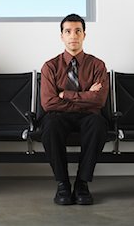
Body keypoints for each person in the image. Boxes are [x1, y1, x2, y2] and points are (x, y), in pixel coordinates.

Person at [40, 13, 109, 205]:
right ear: (62, 36)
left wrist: (65, 95)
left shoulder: (97, 65)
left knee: (98, 124)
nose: (73, 35)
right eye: (68, 31)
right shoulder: (50, 67)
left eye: (78, 31)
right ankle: (62, 184)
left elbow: (99, 100)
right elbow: (48, 103)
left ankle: (82, 183)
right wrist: (87, 95)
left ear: (84, 35)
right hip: (59, 116)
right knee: (50, 126)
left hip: (88, 116)